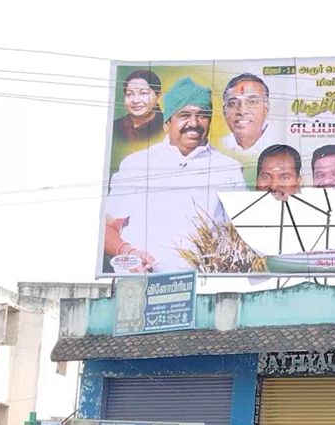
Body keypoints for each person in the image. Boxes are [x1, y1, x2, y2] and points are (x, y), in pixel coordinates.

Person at [103, 77, 246, 273]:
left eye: (202, 115)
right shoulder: (136, 164)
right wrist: (128, 252)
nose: (194, 123)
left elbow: (241, 236)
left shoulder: (229, 169)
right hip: (144, 285)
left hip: (206, 288)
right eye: (184, 115)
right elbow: (107, 228)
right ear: (167, 123)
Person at [112, 70, 163, 143]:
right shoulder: (115, 127)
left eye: (143, 93)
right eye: (130, 94)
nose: (135, 101)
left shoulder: (168, 126)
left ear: (158, 96)